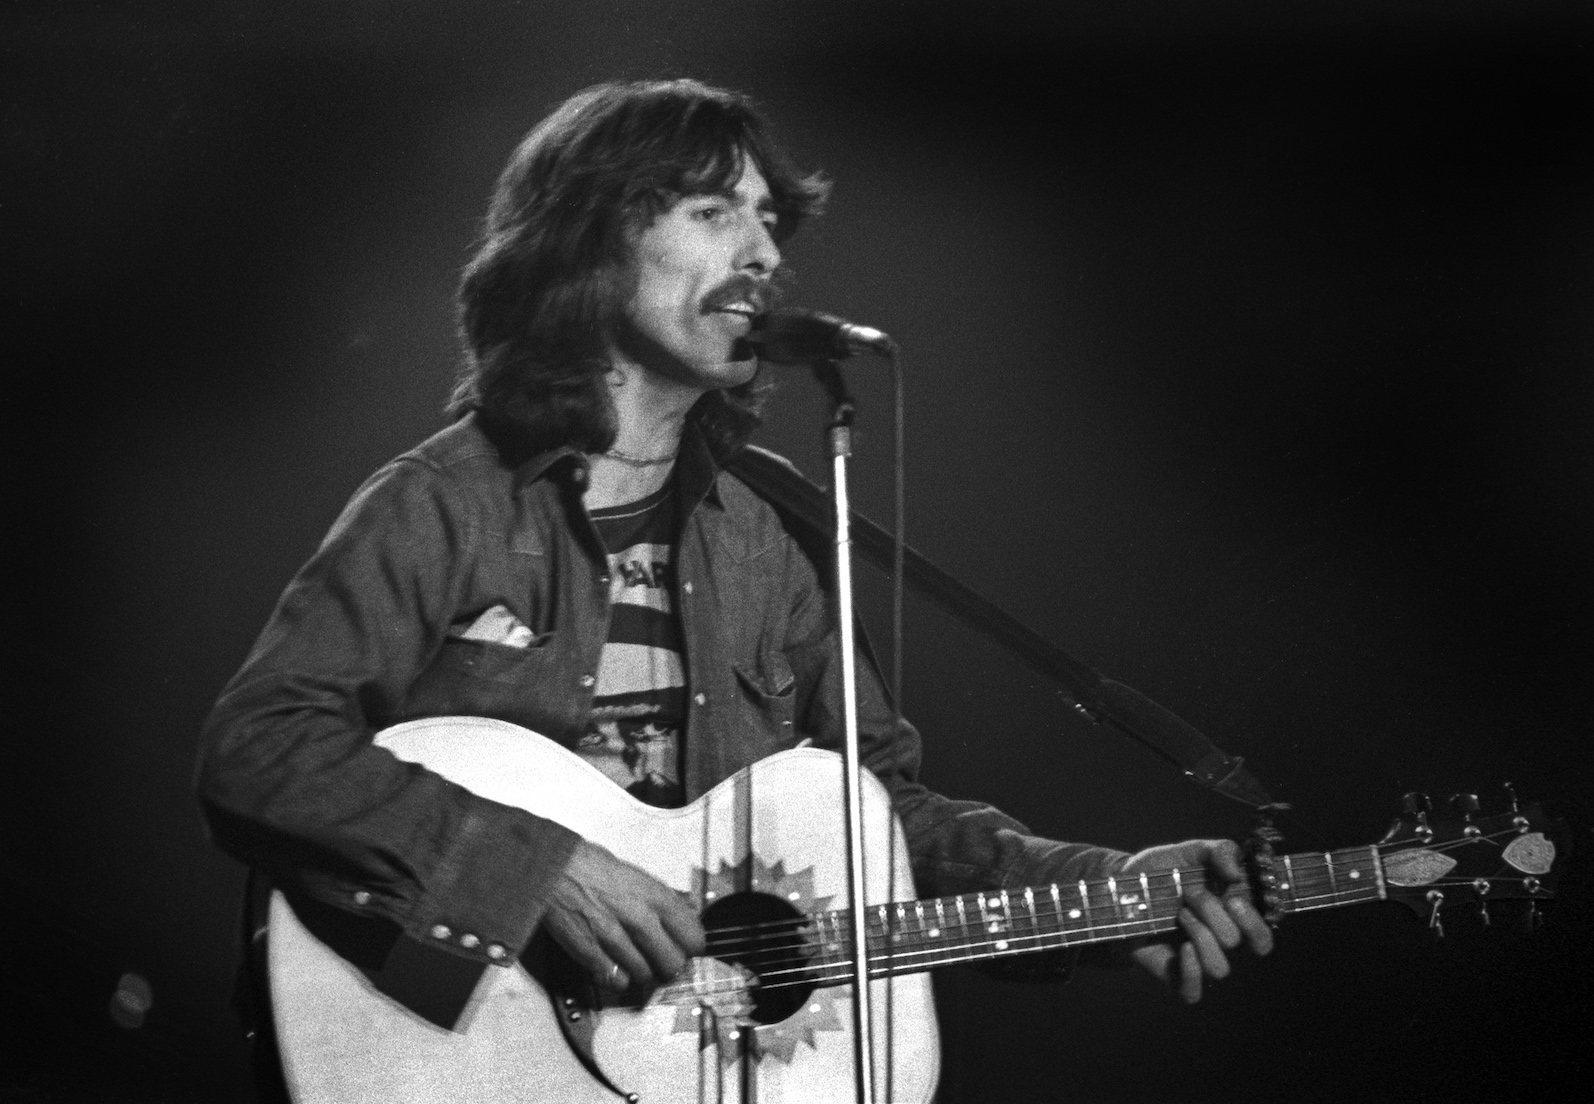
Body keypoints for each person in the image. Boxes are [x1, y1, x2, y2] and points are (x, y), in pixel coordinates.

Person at [195, 78, 1271, 1094]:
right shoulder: (445, 502)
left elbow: (879, 825)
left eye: (768, 222)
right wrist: (542, 872)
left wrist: (1110, 887)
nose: (762, 254)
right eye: (714, 212)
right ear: (588, 241)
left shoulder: (773, 529)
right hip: (447, 1053)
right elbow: (261, 748)